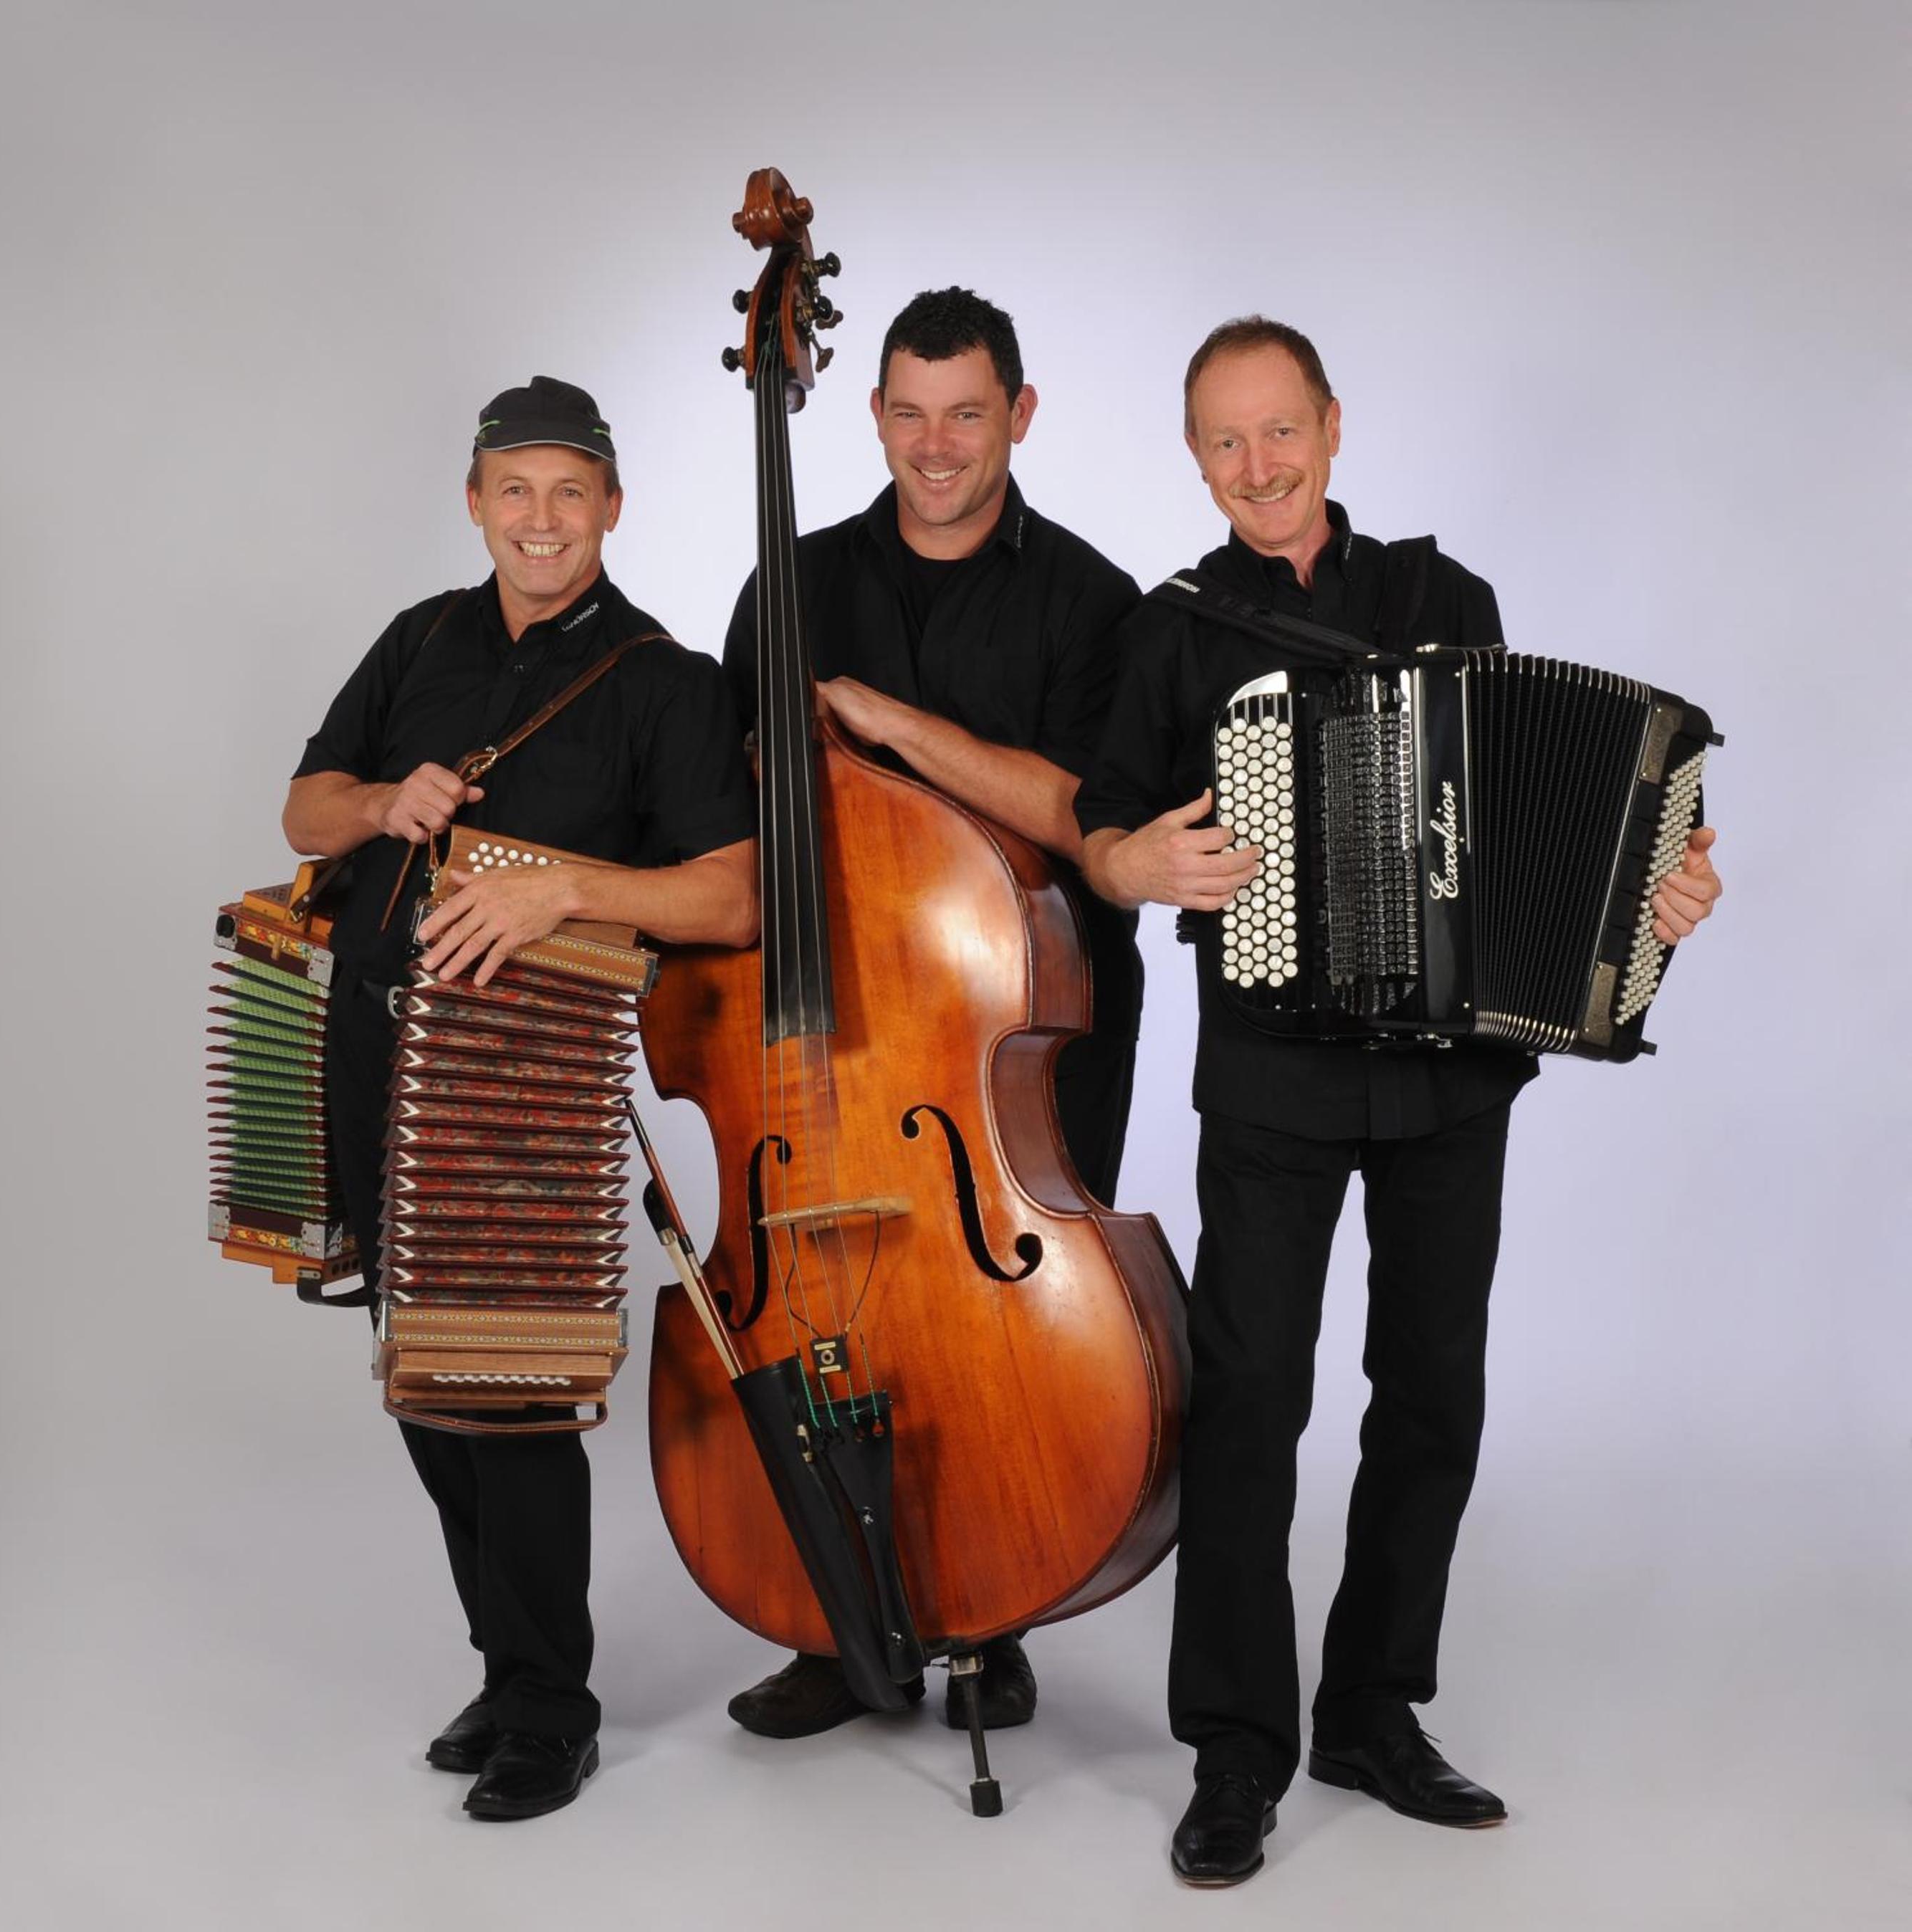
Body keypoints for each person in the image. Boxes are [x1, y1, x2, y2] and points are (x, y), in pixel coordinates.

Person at [1076, 318, 1722, 1886]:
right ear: (1195, 459)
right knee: (1250, 1404)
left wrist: (1655, 892)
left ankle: (1371, 1708)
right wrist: (1131, 861)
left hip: (1451, 1078)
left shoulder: (1447, 602)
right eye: (1225, 441)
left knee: (1432, 1393)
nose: (1258, 467)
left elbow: (1536, 817)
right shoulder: (1171, 632)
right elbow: (1100, 829)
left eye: (1279, 430)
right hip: (1270, 1074)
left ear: (1332, 426)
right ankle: (1237, 1748)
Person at [282, 376, 758, 1821]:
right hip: (372, 1048)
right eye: (515, 490)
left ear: (611, 505)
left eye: (568, 491)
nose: (540, 519)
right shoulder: (417, 638)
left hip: (523, 1080)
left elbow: (732, 896)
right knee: (421, 1374)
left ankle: (553, 1709)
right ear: (475, 501)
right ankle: (509, 1667)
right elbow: (305, 805)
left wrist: (562, 888)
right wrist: (383, 805)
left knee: (515, 1391)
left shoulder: (667, 680)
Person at [718, 287, 1145, 1741]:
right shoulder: (791, 585)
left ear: (1018, 414)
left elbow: (1091, 821)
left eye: (966, 413)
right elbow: (730, 824)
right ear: (872, 413)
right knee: (835, 1317)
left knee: (991, 1336)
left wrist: (891, 727)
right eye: (908, 412)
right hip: (828, 1033)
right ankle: (838, 1614)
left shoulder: (1091, 601)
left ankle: (988, 1615)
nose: (936, 444)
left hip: (1018, 1026)